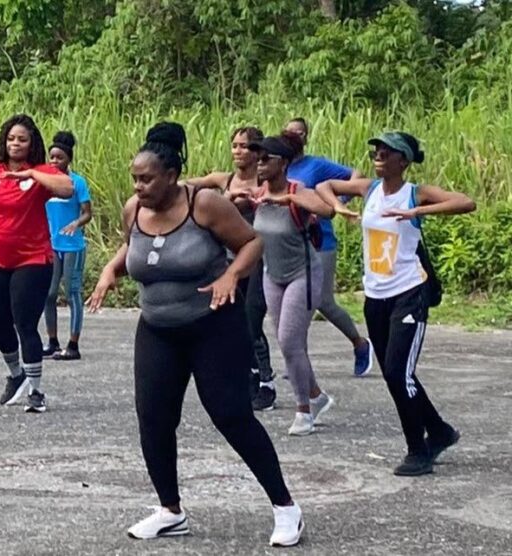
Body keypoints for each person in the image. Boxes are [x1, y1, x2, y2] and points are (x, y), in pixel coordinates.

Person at [87, 122, 303, 547]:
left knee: (231, 415)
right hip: (157, 329)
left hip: (212, 326)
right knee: (153, 419)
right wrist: (111, 270)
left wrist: (232, 276)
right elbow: (133, 246)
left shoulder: (204, 205)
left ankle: (286, 509)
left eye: (146, 178)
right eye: (135, 178)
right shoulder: (134, 209)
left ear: (171, 176)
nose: (139, 186)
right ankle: (170, 510)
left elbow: (252, 243)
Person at [316, 132, 474, 476]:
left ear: (403, 161)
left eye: (387, 153)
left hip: (409, 293)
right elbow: (324, 186)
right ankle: (441, 431)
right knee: (394, 374)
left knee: (399, 374)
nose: (379, 157)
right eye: (376, 152)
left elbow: (465, 202)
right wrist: (338, 208)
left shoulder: (414, 192)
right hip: (376, 296)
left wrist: (418, 210)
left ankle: (418, 450)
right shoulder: (369, 189)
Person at [0, 114, 74, 413]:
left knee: (25, 324)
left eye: (22, 139)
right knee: (0, 323)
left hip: (33, 259)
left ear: (32, 143)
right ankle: (16, 375)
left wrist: (31, 176)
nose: (15, 144)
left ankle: (36, 392)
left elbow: (66, 188)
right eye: (11, 138)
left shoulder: (42, 172)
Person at [249, 136, 337, 436]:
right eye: (257, 158)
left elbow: (326, 209)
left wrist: (287, 200)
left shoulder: (296, 190)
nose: (259, 164)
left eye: (265, 159)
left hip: (304, 274)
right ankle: (316, 395)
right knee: (288, 343)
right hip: (272, 275)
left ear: (283, 163)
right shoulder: (256, 192)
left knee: (289, 342)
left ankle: (303, 410)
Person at [187, 126, 278, 411]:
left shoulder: (265, 182)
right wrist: (224, 200)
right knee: (230, 323)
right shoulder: (223, 180)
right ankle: (244, 377)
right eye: (235, 145)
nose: (238, 151)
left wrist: (256, 198)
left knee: (252, 321)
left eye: (245, 146)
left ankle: (266, 382)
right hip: (227, 263)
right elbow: (185, 187)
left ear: (257, 152)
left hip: (259, 263)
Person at [283, 118, 373, 377]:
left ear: (306, 138)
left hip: (320, 240)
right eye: (289, 132)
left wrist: (337, 202)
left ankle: (360, 343)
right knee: (296, 302)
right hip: (290, 244)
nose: (294, 136)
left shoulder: (316, 165)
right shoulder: (276, 165)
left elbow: (356, 176)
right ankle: (298, 360)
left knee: (322, 301)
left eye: (299, 133)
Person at [42, 131, 92, 361]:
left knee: (72, 293)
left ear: (68, 159)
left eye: (59, 157)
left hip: (72, 246)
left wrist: (76, 223)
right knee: (49, 293)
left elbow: (87, 213)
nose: (54, 161)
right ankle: (52, 341)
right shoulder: (46, 183)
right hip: (52, 245)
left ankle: (73, 344)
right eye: (51, 157)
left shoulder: (77, 182)